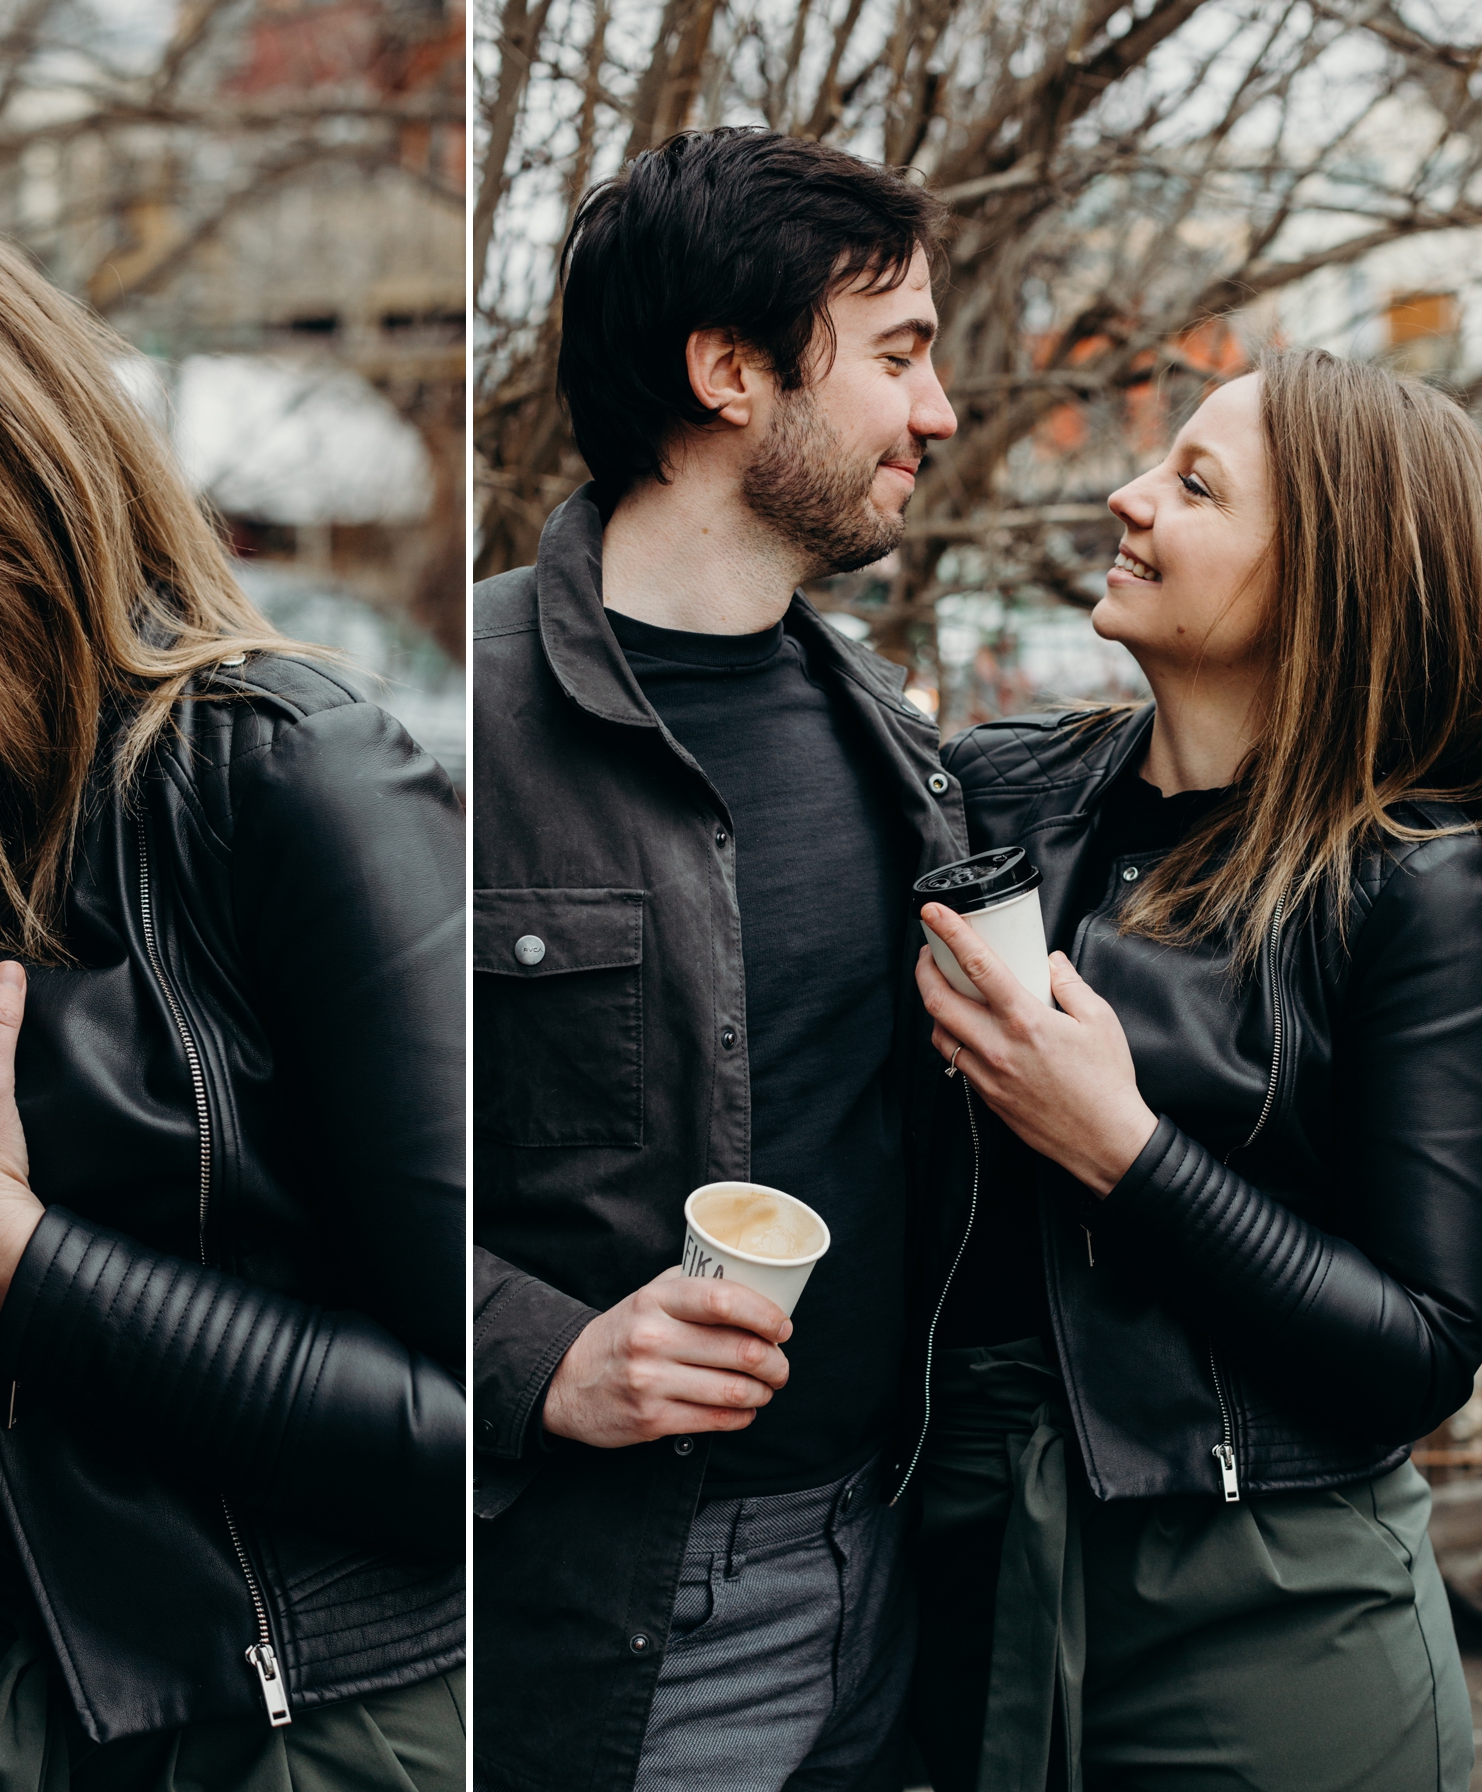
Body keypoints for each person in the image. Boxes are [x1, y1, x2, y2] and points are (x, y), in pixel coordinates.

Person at [0, 218, 465, 1791]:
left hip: (297, 1723)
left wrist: (5, 1255)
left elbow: (462, 1426)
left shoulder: (292, 776)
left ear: (18, 491)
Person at [906, 351, 1482, 1790]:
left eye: (1193, 485)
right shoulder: (1007, 791)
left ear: (1326, 582)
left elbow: (1421, 1346)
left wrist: (1126, 1152)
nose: (1127, 494)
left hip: (1270, 1622)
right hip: (981, 1591)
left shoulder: (1408, 883)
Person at [471, 127, 967, 1792]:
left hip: (894, 1587)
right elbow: (279, 1189)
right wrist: (543, 1358)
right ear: (730, 370)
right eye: (897, 355)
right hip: (608, 1618)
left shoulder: (895, 744)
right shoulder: (441, 732)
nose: (939, 411)